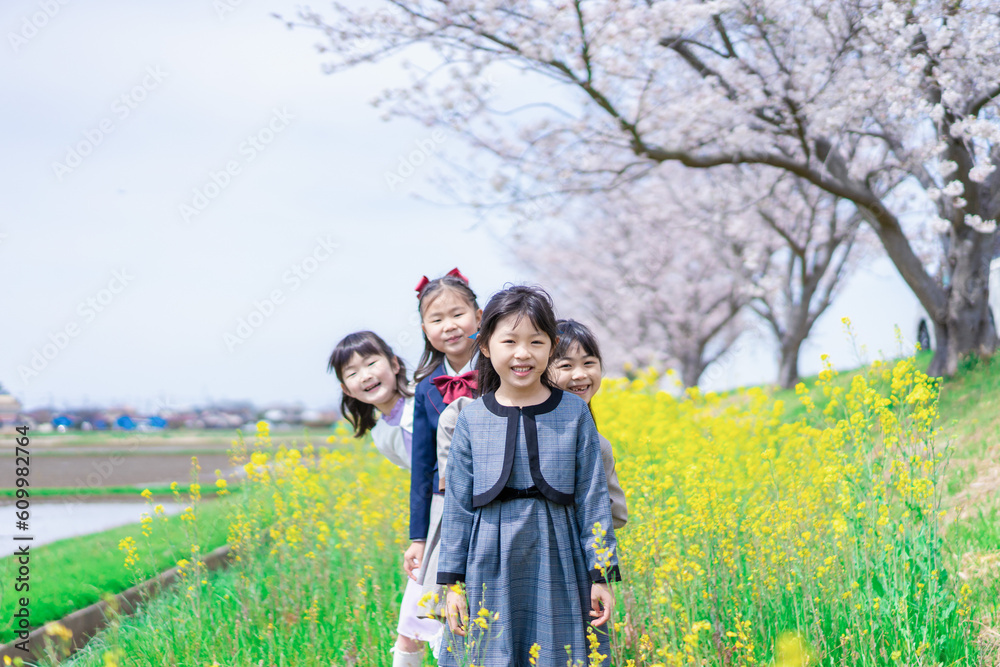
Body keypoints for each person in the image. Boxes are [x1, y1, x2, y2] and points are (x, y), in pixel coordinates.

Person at [436, 285, 620, 667]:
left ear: (551, 347)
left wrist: (601, 576)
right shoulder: (470, 418)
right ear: (486, 346)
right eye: (509, 341)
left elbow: (592, 498)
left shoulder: (574, 413)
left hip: (560, 558)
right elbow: (457, 507)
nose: (523, 353)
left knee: (560, 651)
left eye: (536, 341)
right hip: (487, 559)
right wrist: (452, 585)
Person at [327, 331, 442, 667]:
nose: (365, 375)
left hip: (462, 517)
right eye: (352, 372)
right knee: (413, 624)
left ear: (394, 364)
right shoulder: (381, 435)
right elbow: (421, 481)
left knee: (426, 621)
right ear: (347, 389)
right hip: (436, 524)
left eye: (371, 363)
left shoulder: (430, 396)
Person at [404, 268, 483, 587]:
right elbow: (421, 466)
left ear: (479, 316)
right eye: (436, 320)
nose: (449, 326)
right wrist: (418, 537)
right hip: (446, 501)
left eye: (457, 314)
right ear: (425, 330)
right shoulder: (425, 388)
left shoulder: (504, 370)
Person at [549, 319, 628, 530]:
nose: (580, 374)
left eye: (589, 363)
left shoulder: (598, 445)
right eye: (566, 366)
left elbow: (617, 515)